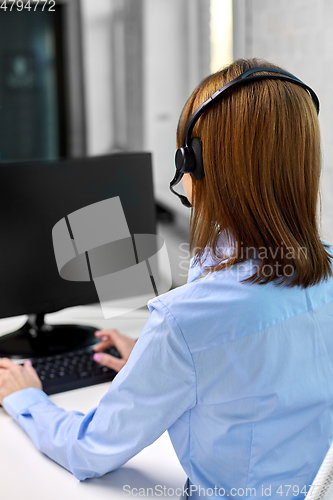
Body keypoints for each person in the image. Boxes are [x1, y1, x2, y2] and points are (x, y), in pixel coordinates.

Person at [1, 57, 333, 499]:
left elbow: (90, 450)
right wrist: (156, 360)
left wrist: (24, 396)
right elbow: (274, 368)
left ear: (193, 166)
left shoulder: (185, 321)